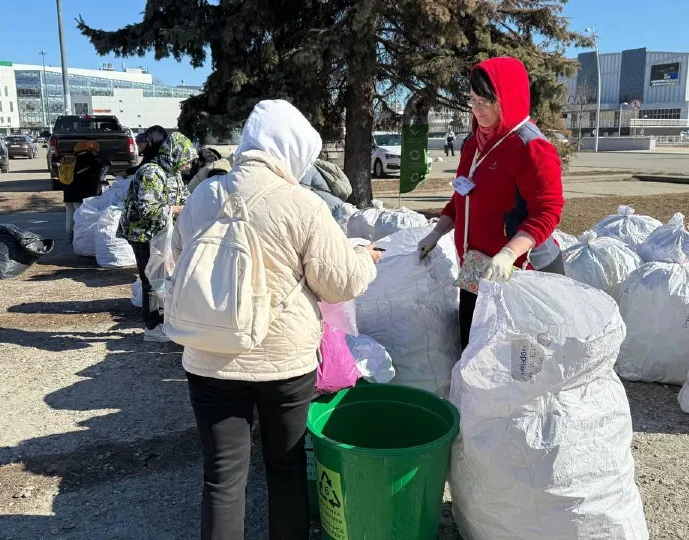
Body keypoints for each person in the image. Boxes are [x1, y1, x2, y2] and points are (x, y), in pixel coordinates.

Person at [173, 99, 380, 540]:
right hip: (283, 363)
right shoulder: (301, 205)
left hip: (209, 355)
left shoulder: (204, 195)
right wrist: (366, 258)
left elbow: (180, 255)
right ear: (292, 151)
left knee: (222, 477)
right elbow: (339, 283)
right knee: (284, 467)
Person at [418, 57, 566, 349]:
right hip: (476, 264)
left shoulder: (530, 147)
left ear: (507, 97)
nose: (477, 110)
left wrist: (509, 253)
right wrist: (438, 231)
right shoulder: (474, 142)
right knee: (472, 347)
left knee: (517, 358)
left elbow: (548, 212)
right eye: (473, 101)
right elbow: (463, 196)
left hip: (520, 268)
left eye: (485, 101)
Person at [118, 129, 194, 342]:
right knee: (152, 279)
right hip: (143, 235)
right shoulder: (151, 172)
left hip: (161, 233)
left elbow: (185, 198)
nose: (188, 165)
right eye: (185, 160)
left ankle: (163, 320)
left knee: (164, 279)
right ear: (174, 154)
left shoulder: (173, 173)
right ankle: (152, 327)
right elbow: (147, 209)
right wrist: (176, 210)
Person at [62, 140, 110, 243]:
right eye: (94, 151)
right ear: (89, 150)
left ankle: (68, 237)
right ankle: (79, 239)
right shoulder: (88, 160)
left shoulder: (71, 160)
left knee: (69, 216)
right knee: (80, 219)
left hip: (68, 193)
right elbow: (100, 170)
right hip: (79, 195)